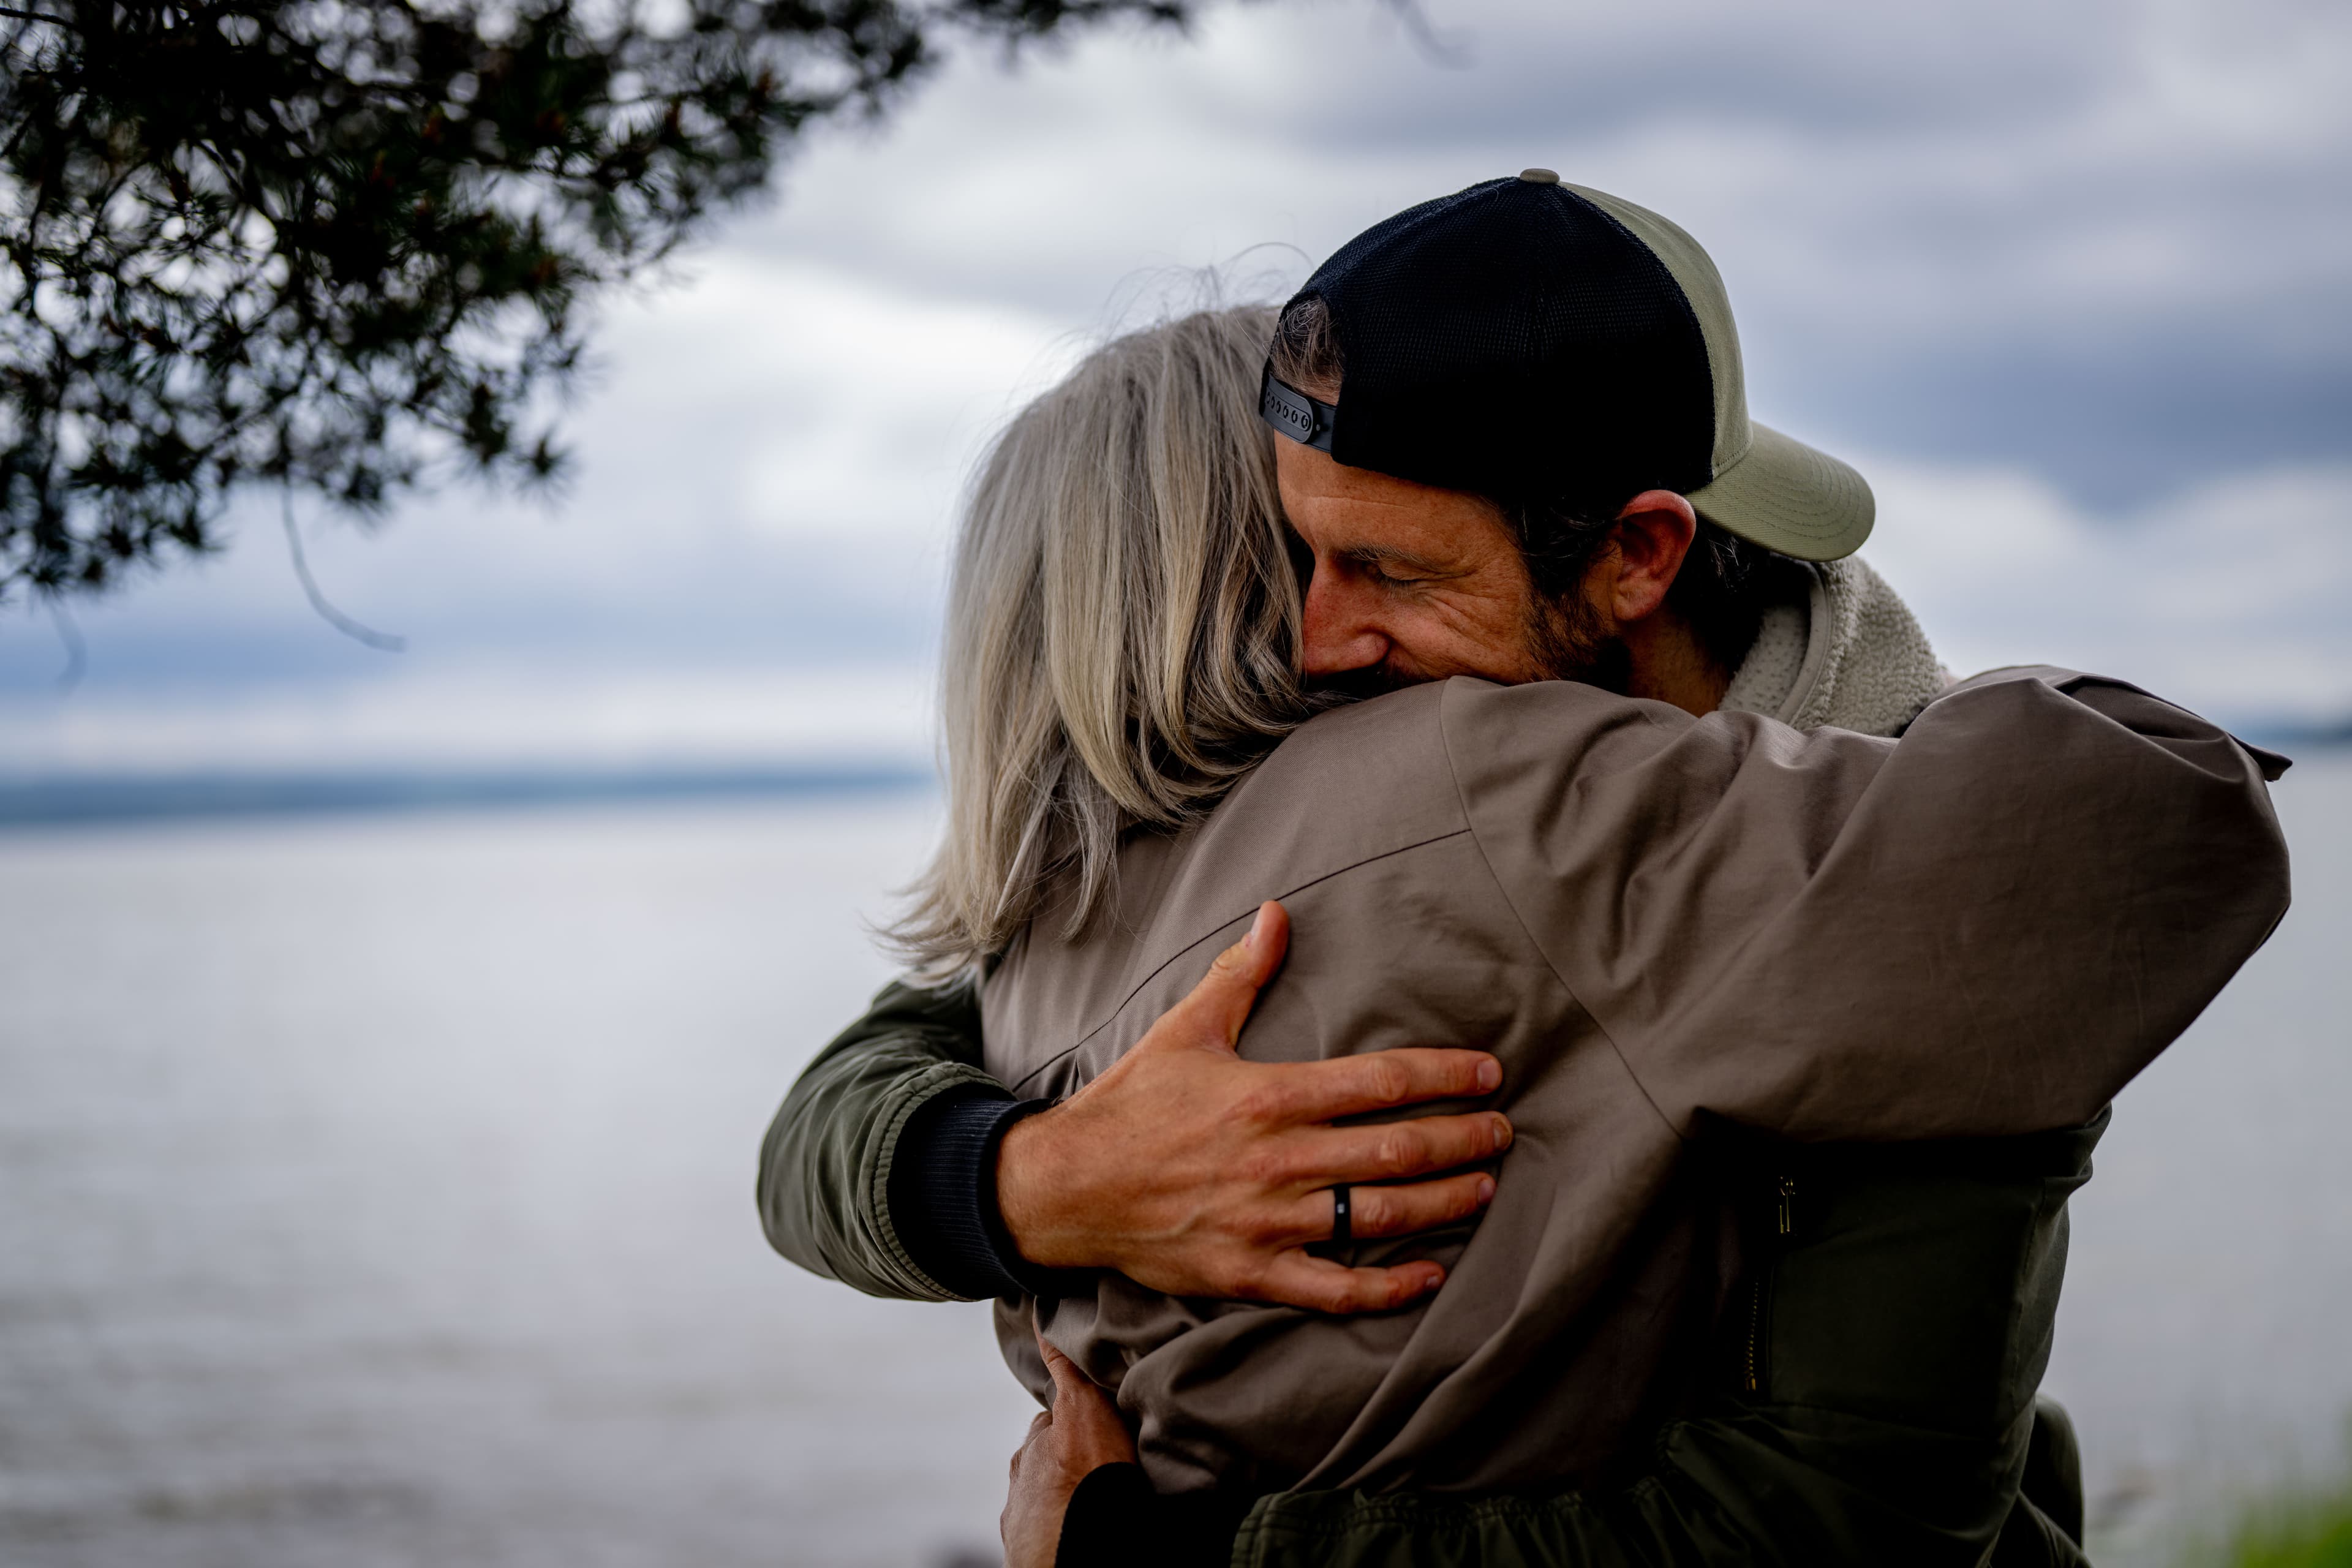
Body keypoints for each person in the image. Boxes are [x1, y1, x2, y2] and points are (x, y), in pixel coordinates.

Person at [761, 178, 2291, 1565]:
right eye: (1307, 554)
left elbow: (1847, 1511)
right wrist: (1032, 1175)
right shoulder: (1310, 851)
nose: (1317, 636)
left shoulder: (1841, 871)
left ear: (1641, 553)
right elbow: (857, 1092)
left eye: (1388, 570)